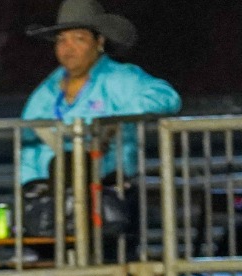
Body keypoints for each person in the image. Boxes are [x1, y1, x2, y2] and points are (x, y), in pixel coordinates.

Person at [17, 0, 179, 185]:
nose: (68, 48)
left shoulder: (120, 78)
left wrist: (113, 121)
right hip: (50, 193)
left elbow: (167, 96)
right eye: (61, 39)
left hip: (111, 189)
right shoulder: (46, 91)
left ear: (99, 42)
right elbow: (28, 145)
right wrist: (28, 185)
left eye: (79, 38)